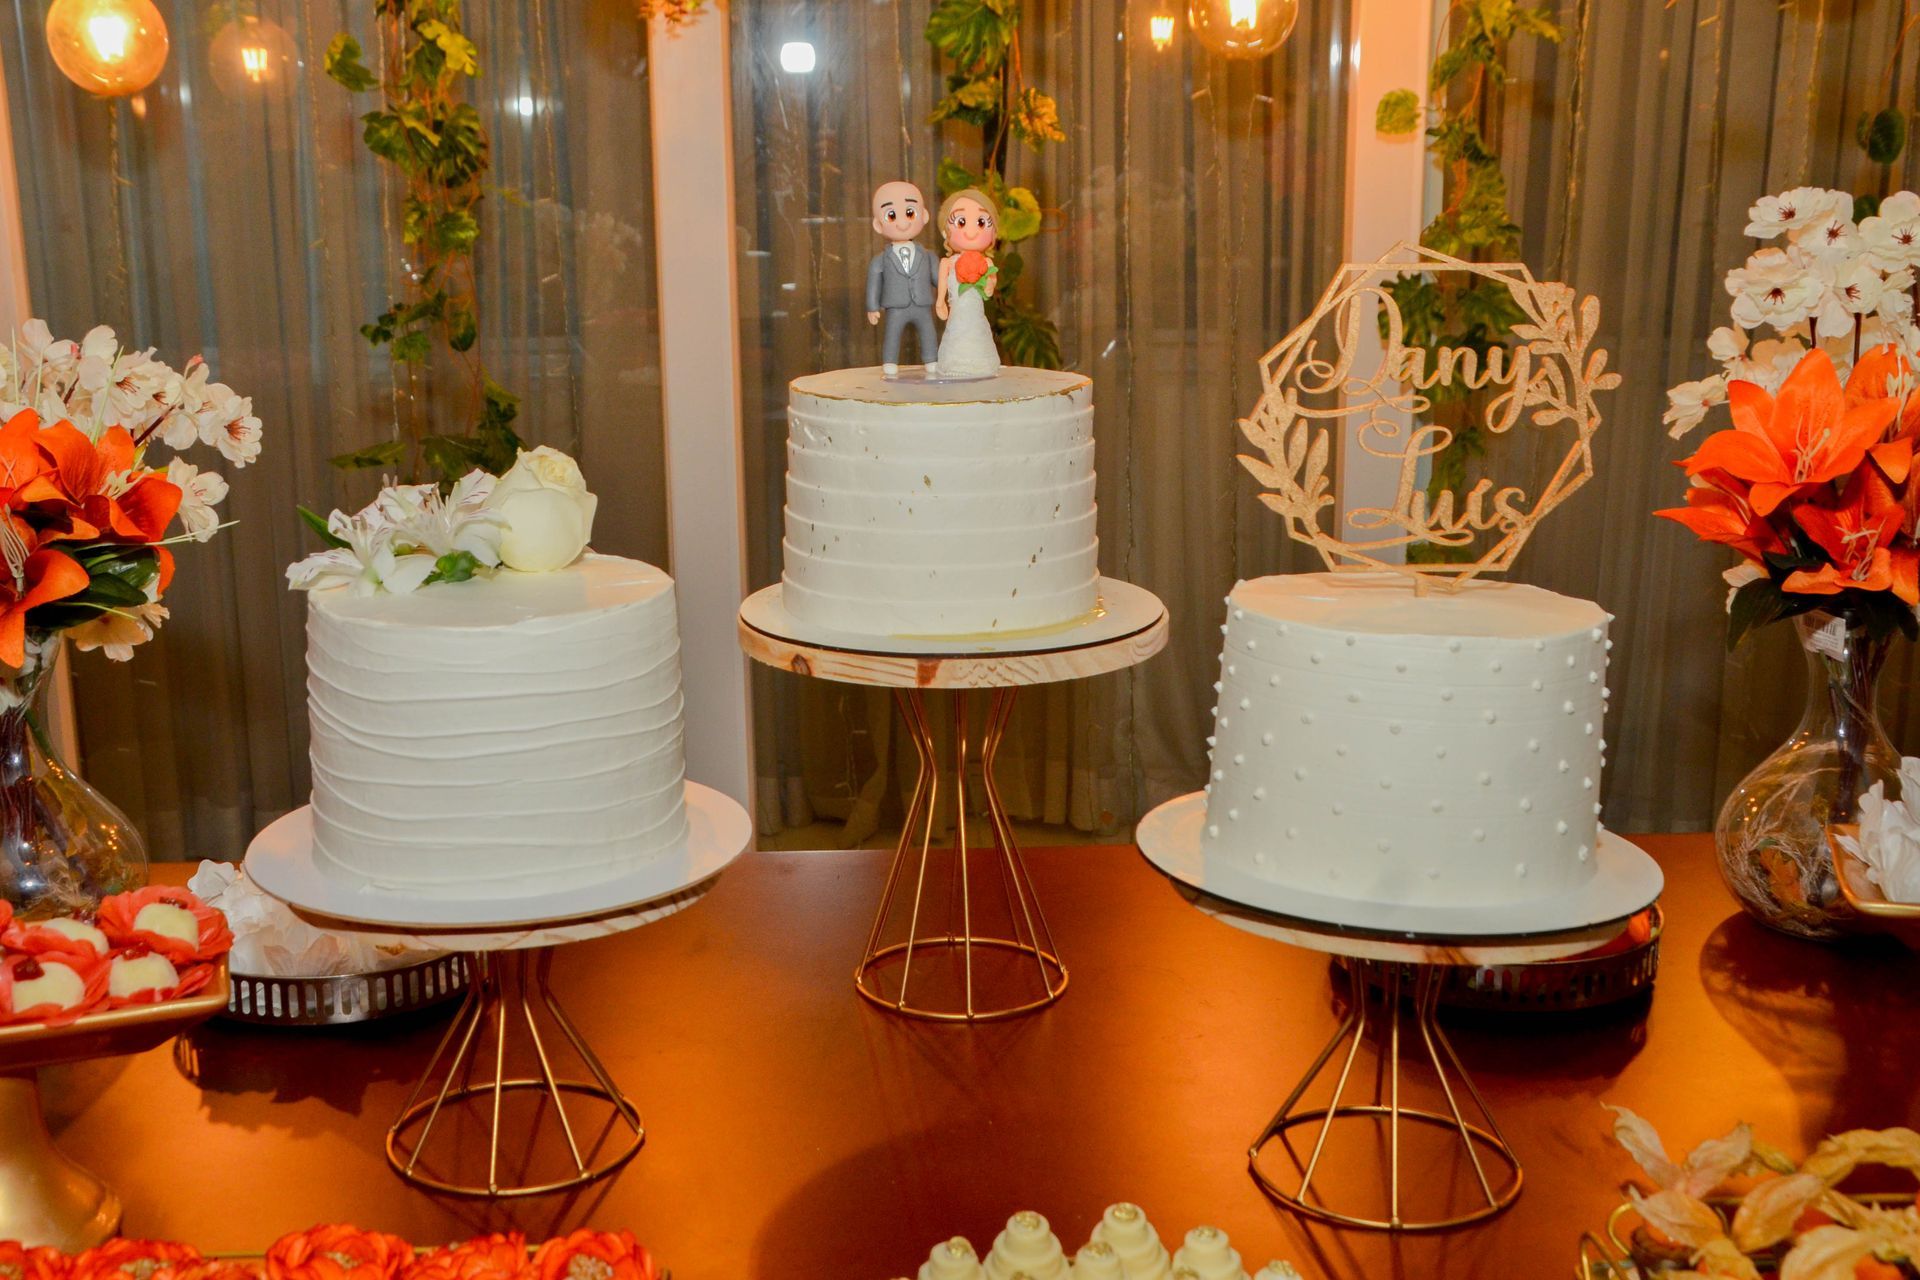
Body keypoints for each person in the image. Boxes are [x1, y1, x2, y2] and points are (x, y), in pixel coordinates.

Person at [865, 180, 939, 377]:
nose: (902, 223)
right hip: (896, 306)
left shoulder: (928, 256)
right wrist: (872, 306)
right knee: (892, 333)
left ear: (924, 216)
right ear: (878, 225)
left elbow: (938, 279)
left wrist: (948, 294)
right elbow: (874, 282)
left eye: (910, 213)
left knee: (928, 332)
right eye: (891, 215)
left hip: (922, 304)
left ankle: (931, 359)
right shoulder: (880, 259)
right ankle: (890, 361)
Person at [933, 188, 1002, 380]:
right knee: (956, 334)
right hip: (957, 314)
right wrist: (940, 302)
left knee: (977, 332)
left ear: (993, 232)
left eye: (981, 222)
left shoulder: (987, 263)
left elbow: (991, 284)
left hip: (975, 313)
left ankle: (980, 365)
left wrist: (989, 285)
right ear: (945, 231)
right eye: (961, 222)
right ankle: (955, 364)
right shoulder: (947, 263)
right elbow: (942, 288)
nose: (971, 232)